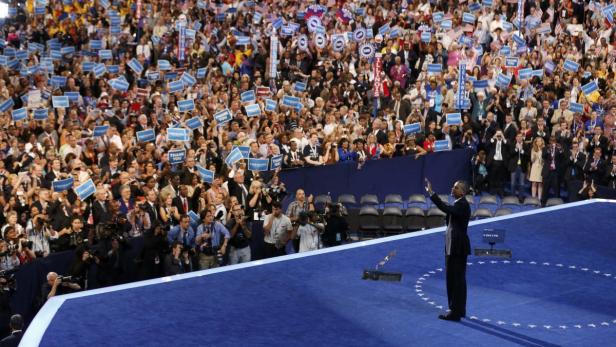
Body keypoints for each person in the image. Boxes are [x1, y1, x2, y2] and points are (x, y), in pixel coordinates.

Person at [424, 178, 471, 322]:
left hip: (456, 247)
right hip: (455, 246)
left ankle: (454, 312)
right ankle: (460, 310)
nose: (452, 189)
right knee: (458, 280)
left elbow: (446, 209)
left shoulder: (462, 205)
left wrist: (432, 194)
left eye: (455, 188)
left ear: (462, 192)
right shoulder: (459, 203)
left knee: (454, 280)